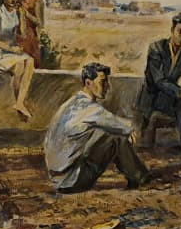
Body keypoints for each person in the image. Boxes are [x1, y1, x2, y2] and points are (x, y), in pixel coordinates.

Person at [43, 62, 150, 193]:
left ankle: (138, 176)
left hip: (59, 178)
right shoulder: (90, 109)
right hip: (72, 181)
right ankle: (141, 178)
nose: (108, 87)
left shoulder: (72, 103)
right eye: (102, 82)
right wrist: (130, 130)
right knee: (117, 139)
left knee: (103, 134)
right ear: (88, 83)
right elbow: (122, 124)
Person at [135, 13, 181, 151]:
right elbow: (159, 81)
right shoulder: (156, 48)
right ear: (172, 30)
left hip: (171, 96)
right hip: (153, 97)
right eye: (180, 31)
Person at [0, 0, 36, 121]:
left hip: (13, 52)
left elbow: (23, 35)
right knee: (19, 64)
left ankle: (19, 103)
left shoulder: (15, 12)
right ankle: (19, 104)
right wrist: (10, 48)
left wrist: (22, 15)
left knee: (30, 61)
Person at [12, 0, 44, 65]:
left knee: (29, 65)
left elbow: (40, 23)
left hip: (29, 38)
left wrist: (27, 14)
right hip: (12, 36)